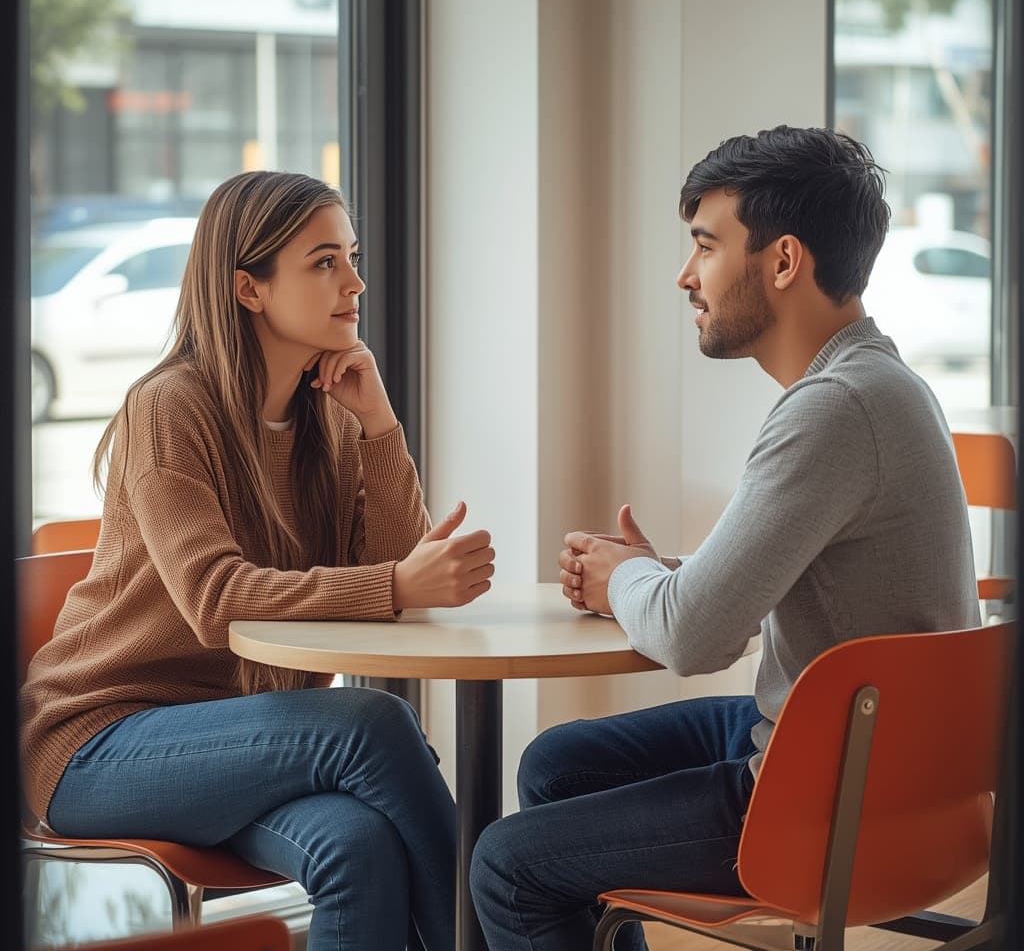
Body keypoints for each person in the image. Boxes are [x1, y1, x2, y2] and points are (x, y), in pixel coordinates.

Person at [469, 125, 980, 950]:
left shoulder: (833, 409)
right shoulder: (879, 384)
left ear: (782, 262)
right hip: (899, 771)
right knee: (556, 765)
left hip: (830, 801)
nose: (685, 275)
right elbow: (748, 591)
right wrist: (651, 575)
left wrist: (623, 582)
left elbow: (697, 635)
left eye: (705, 246)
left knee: (504, 864)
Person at [21, 171, 496, 951]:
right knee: (372, 722)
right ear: (249, 288)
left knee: (358, 844)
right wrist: (396, 582)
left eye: (351, 256)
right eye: (324, 262)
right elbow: (216, 597)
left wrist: (379, 426)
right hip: (100, 742)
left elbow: (394, 576)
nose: (356, 282)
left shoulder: (332, 418)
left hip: (242, 743)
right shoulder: (170, 408)